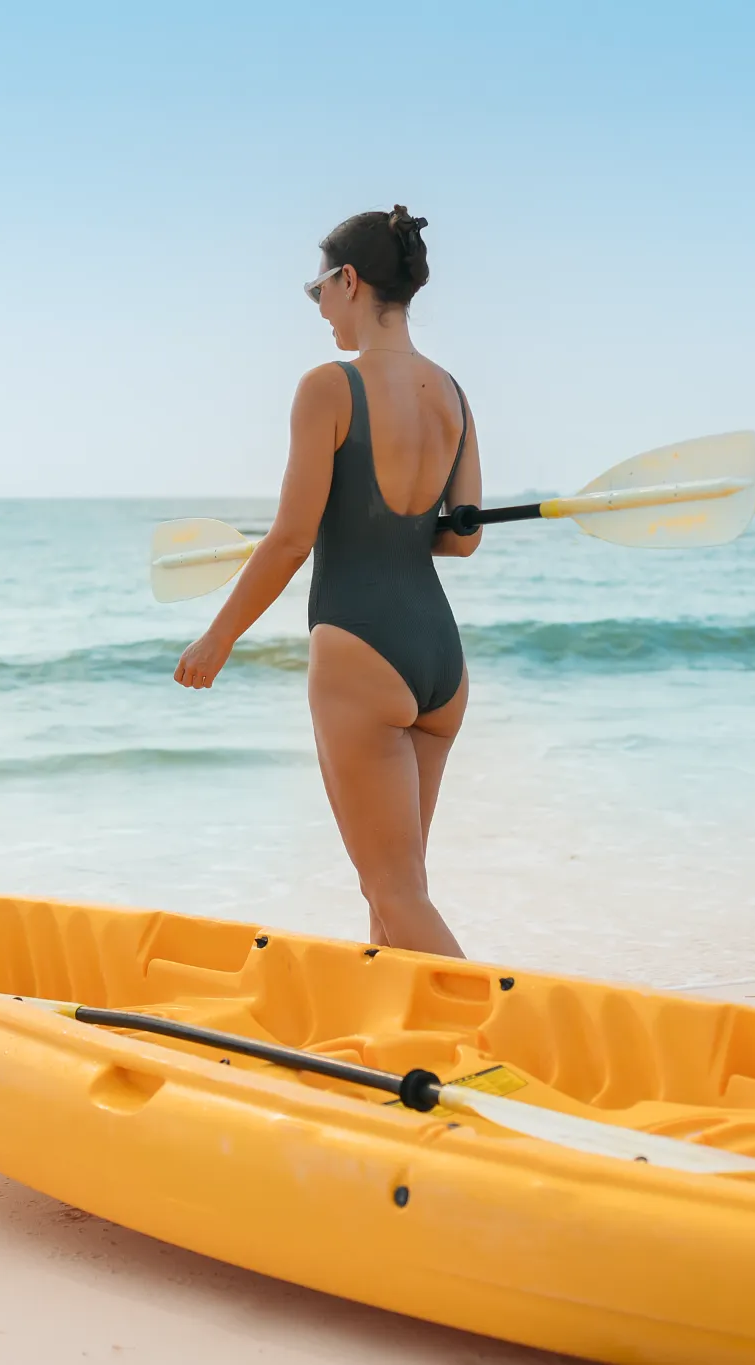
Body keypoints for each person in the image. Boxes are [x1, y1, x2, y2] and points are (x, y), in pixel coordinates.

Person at [174, 208, 481, 958]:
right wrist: (396, 521)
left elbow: (291, 538)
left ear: (349, 281)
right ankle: (401, 1031)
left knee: (396, 894)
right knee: (395, 894)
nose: (319, 311)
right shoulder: (452, 393)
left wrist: (218, 638)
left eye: (318, 293)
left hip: (360, 647)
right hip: (439, 658)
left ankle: (510, 1025)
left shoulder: (329, 387)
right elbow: (462, 537)